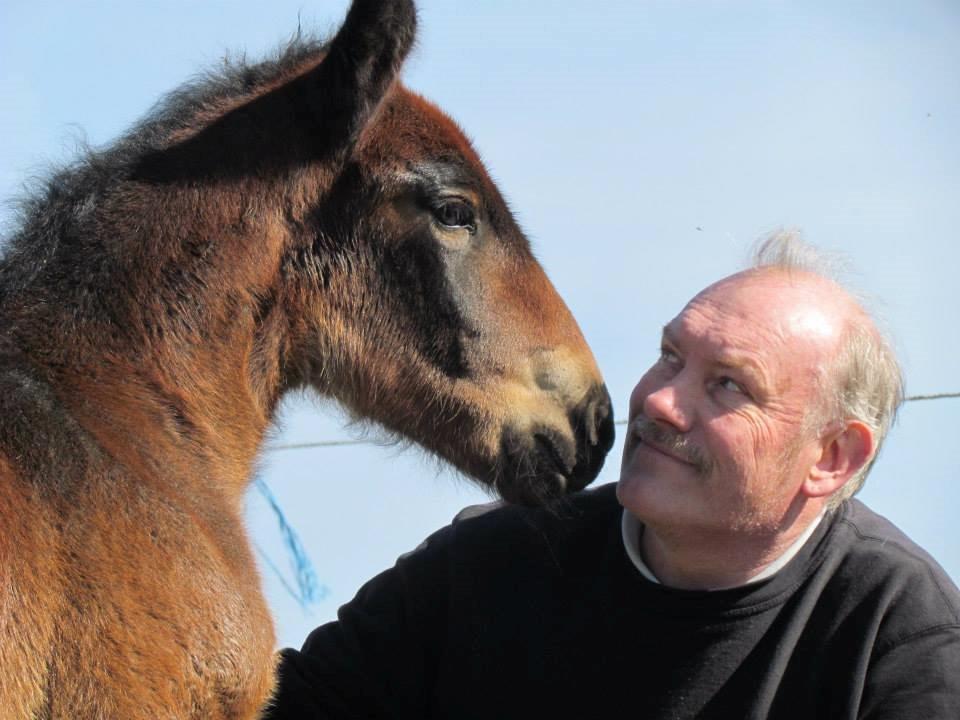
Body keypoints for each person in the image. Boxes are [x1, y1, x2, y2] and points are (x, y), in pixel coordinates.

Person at [264, 232, 960, 719]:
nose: (658, 400)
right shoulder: (492, 565)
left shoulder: (897, 628)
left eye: (727, 386)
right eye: (668, 356)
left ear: (831, 457)